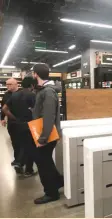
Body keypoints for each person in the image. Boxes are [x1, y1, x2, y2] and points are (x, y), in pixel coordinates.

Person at [32, 64, 63, 204]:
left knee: (42, 162)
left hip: (47, 134)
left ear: (35, 74)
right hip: (45, 132)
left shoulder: (48, 92)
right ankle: (58, 182)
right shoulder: (44, 90)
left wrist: (43, 138)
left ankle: (51, 193)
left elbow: (49, 116)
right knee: (46, 161)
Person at [2, 76, 36, 176]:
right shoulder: (32, 95)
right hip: (29, 124)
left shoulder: (15, 95)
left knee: (19, 144)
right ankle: (28, 170)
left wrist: (14, 118)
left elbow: (4, 109)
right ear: (32, 85)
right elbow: (36, 110)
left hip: (17, 125)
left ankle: (19, 162)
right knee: (31, 147)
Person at [1, 78, 19, 165]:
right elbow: (3, 108)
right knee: (14, 141)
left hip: (22, 121)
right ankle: (17, 159)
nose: (8, 86)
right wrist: (2, 118)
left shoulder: (22, 93)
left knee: (22, 142)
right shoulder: (6, 95)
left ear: (16, 84)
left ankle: (23, 160)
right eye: (7, 84)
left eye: (10, 84)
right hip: (11, 121)